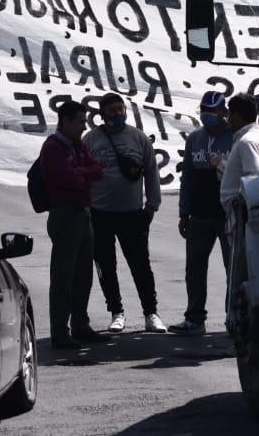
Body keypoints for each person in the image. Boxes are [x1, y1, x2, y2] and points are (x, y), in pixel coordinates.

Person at [82, 92, 165, 333]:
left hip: (132, 215)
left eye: (121, 109)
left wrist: (151, 207)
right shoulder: (91, 140)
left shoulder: (138, 138)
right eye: (112, 110)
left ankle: (151, 313)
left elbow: (151, 173)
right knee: (106, 266)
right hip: (100, 215)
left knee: (141, 265)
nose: (117, 113)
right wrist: (86, 207)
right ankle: (116, 312)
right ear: (102, 114)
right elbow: (83, 175)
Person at [39, 99, 106, 350]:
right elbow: (68, 179)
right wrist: (82, 172)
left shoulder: (77, 145)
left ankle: (80, 325)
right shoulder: (54, 147)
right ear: (65, 121)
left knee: (83, 275)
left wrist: (81, 171)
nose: (84, 126)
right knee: (63, 277)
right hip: (65, 215)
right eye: (79, 121)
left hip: (83, 214)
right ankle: (60, 331)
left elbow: (97, 171)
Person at [168, 91, 234, 336]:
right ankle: (195, 318)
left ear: (223, 111)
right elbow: (187, 178)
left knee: (232, 268)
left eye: (212, 110)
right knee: (195, 268)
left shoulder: (235, 138)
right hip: (200, 215)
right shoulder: (195, 138)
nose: (207, 115)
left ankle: (233, 318)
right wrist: (184, 212)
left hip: (227, 214)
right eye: (203, 110)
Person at [218, 93, 259, 215]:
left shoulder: (247, 141)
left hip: (241, 215)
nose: (228, 120)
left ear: (237, 116)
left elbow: (254, 177)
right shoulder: (248, 137)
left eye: (230, 115)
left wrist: (240, 207)